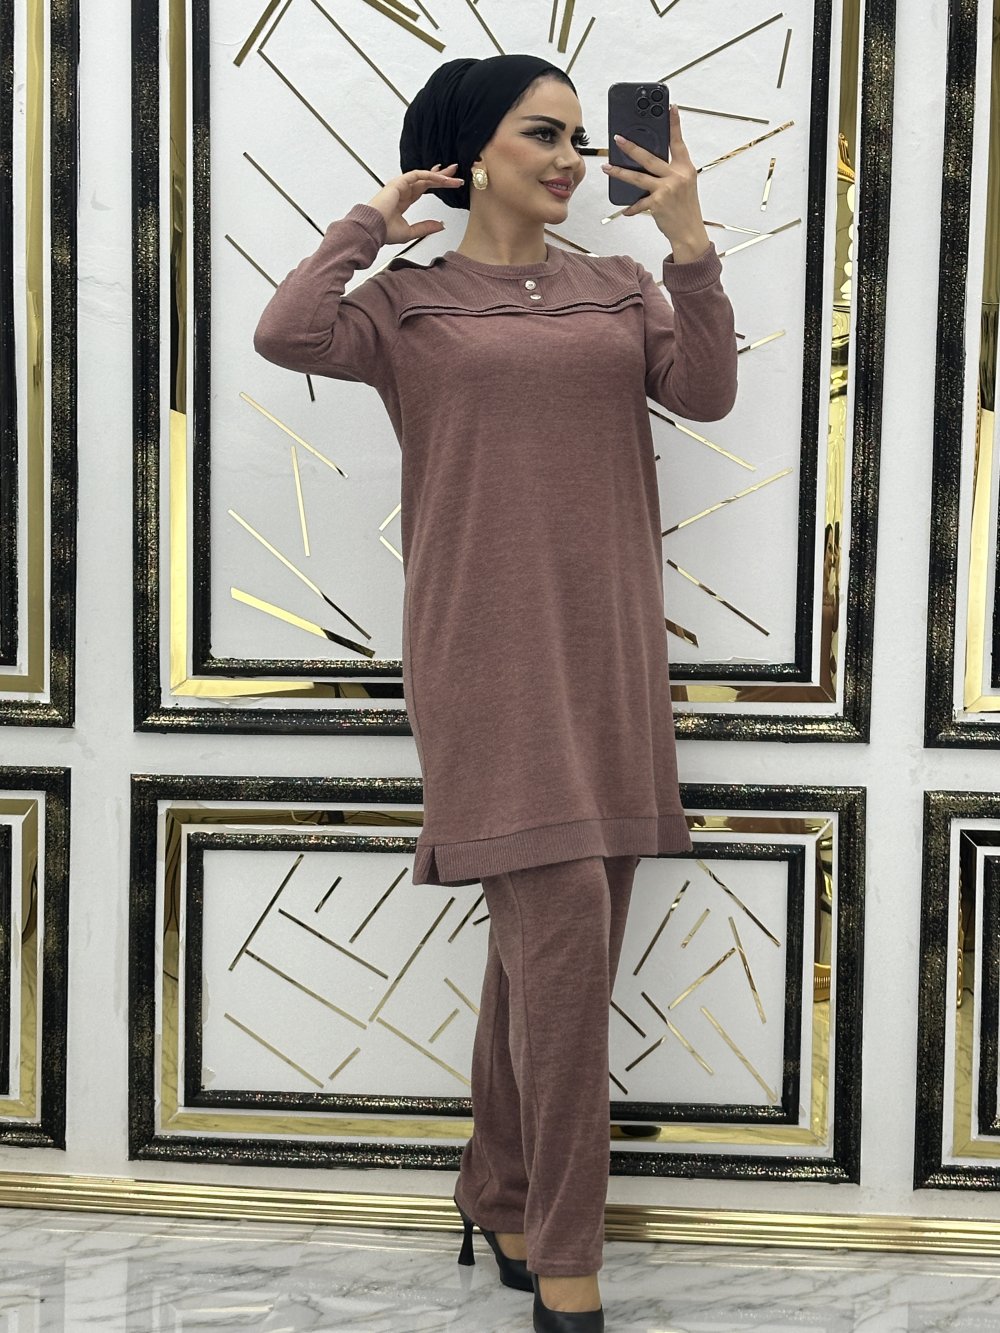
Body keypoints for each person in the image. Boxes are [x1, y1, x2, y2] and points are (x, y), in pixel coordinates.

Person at [254, 53, 737, 1333]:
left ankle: (501, 1186)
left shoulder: (618, 286)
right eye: (544, 134)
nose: (574, 158)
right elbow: (286, 332)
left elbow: (704, 391)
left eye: (581, 136)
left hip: (610, 653)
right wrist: (373, 219)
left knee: (549, 958)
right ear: (469, 152)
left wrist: (689, 244)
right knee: (564, 940)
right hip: (484, 658)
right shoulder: (406, 305)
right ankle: (568, 1253)